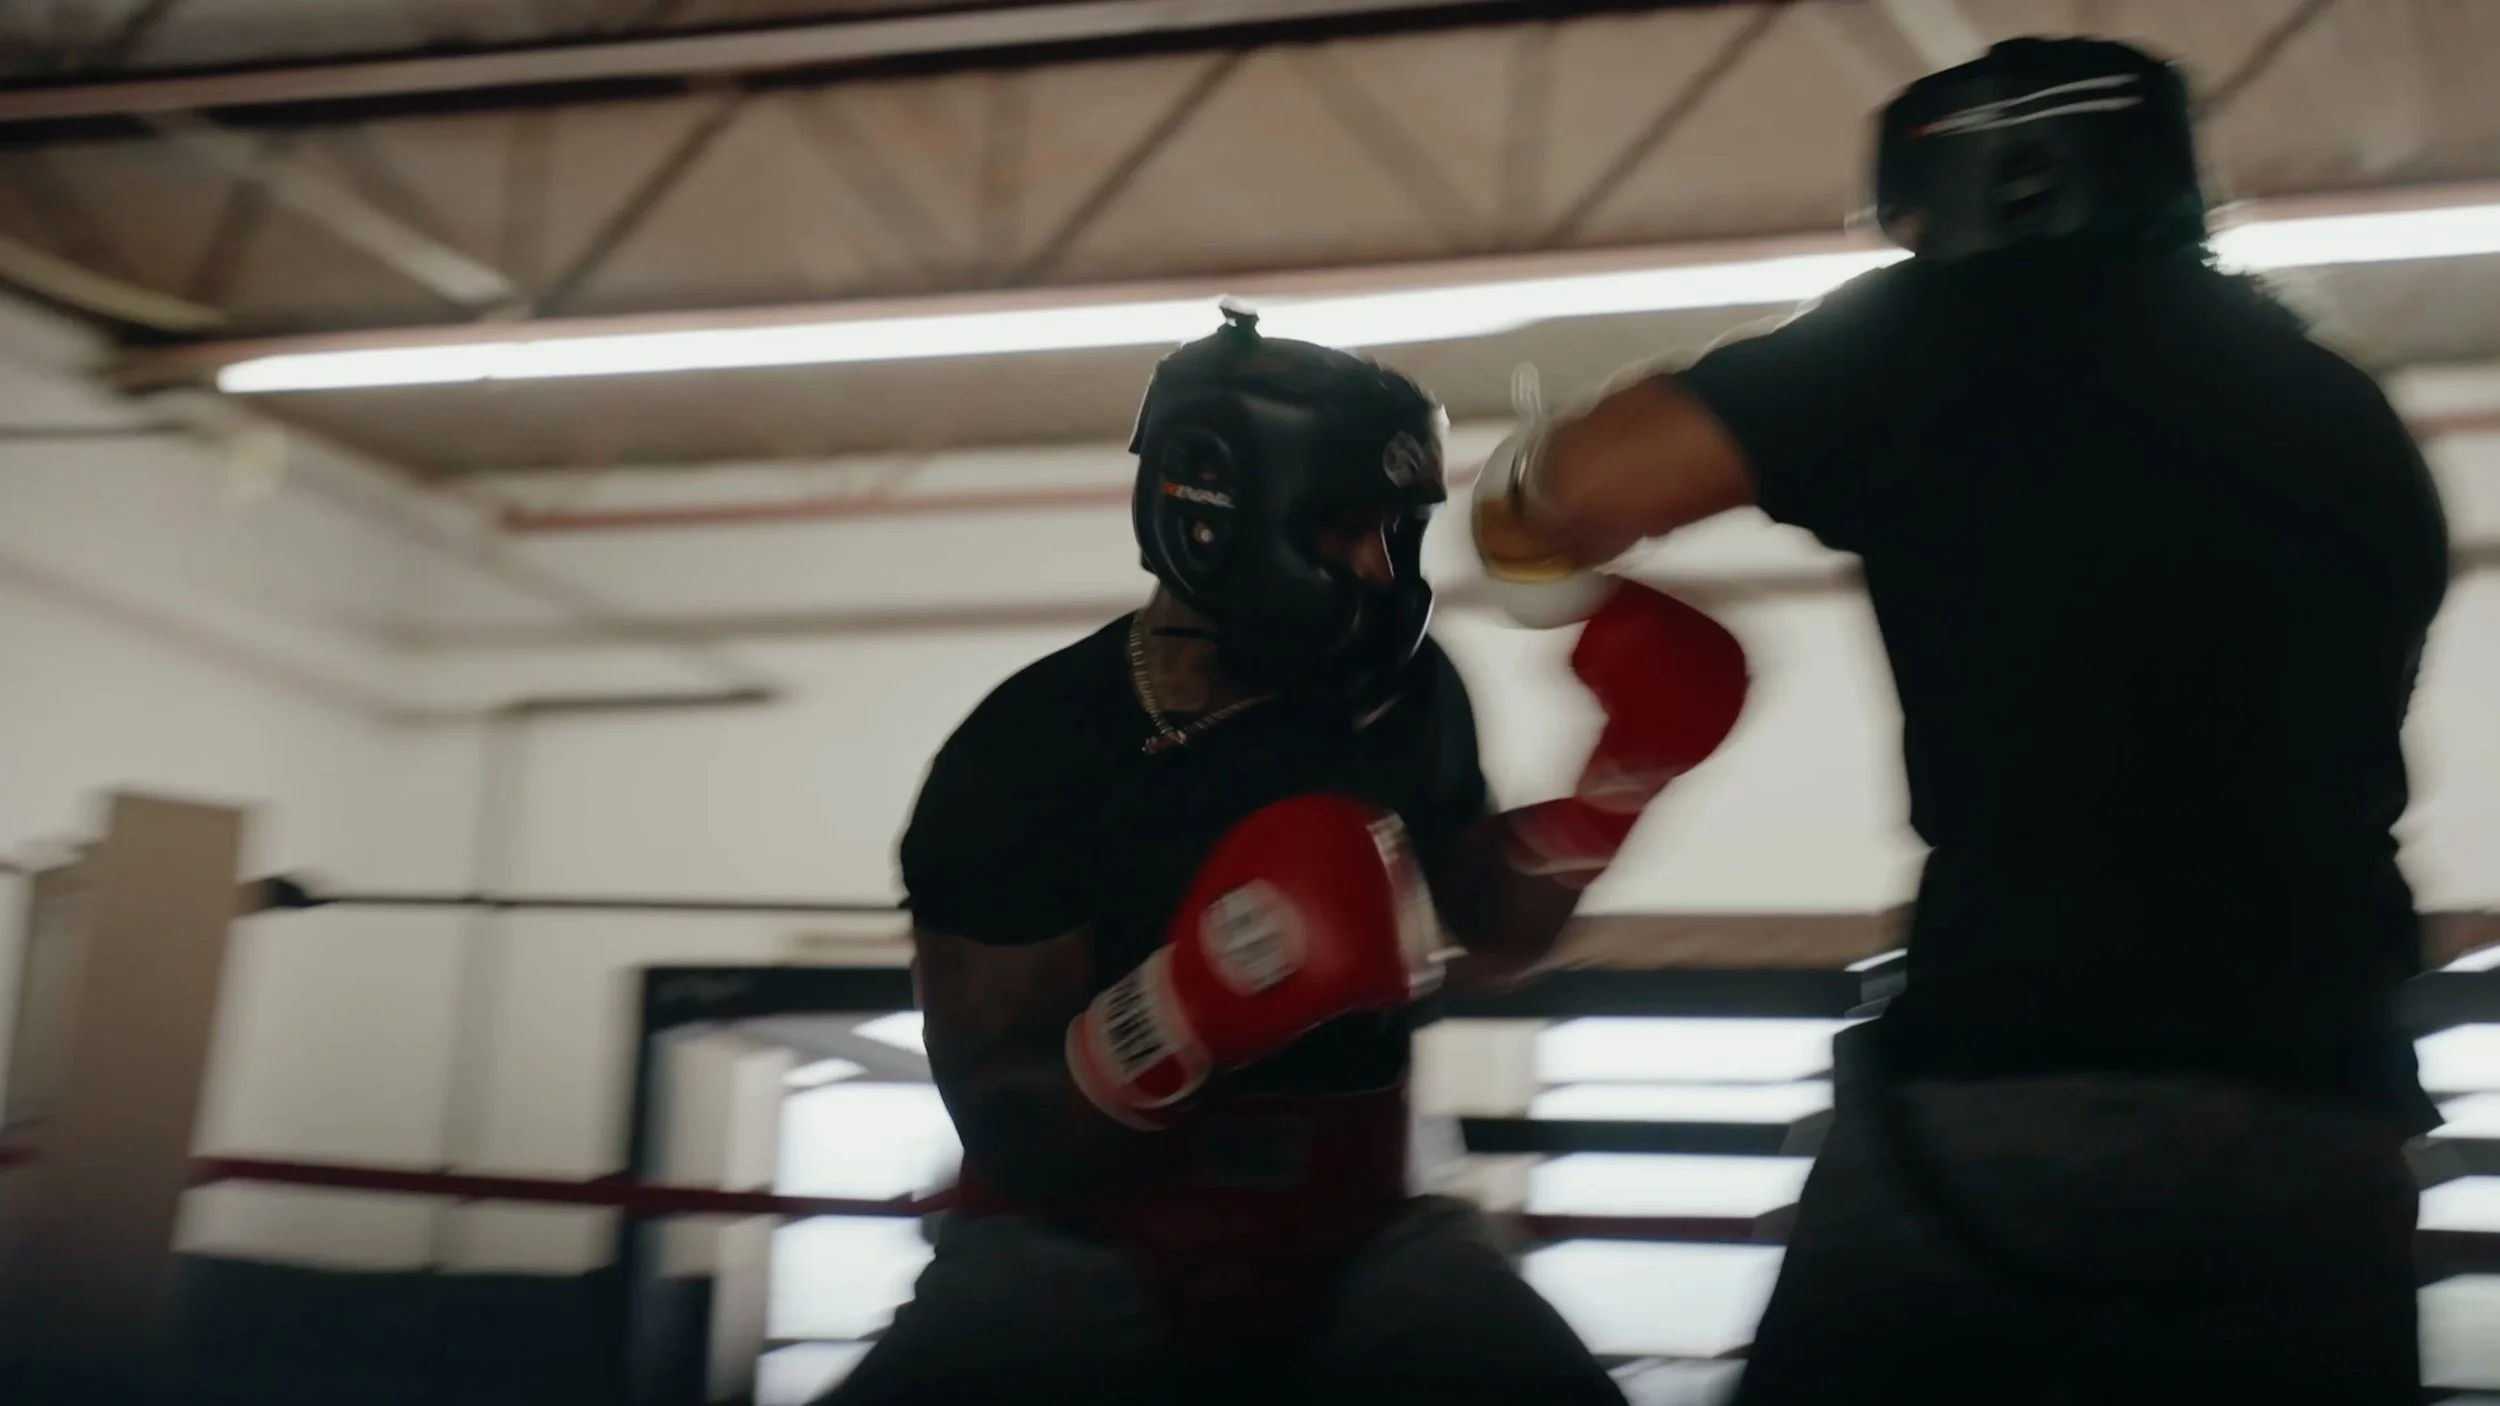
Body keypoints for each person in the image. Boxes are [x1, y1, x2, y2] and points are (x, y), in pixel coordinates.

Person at [1472, 36, 2450, 1406]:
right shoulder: (2347, 411)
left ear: (1972, 195)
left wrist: (1529, 518)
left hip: (2015, 1094)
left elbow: (1575, 490)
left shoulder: (1945, 329)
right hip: (2326, 1131)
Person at [825, 308, 1750, 1406]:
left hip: (1359, 1223)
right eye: (1344, 526)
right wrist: (1178, 1011)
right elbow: (1010, 1127)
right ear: (1212, 514)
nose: (1378, 564)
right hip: (1072, 1239)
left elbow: (1495, 933)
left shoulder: (1406, 696)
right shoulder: (1026, 753)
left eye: (1397, 530)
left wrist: (1614, 792)